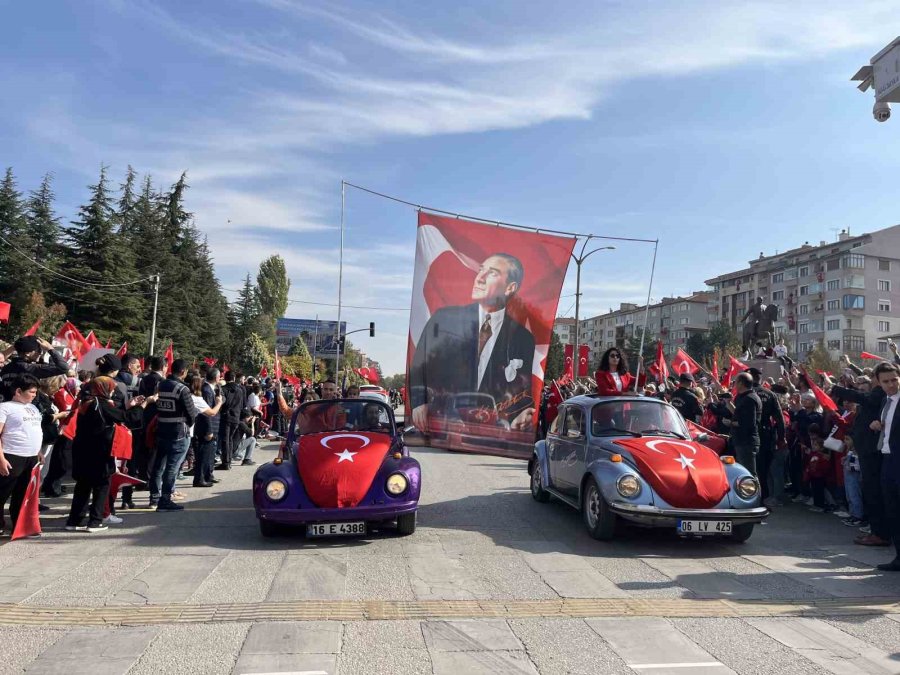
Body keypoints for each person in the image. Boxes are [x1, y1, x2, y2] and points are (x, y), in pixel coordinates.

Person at [408, 253, 535, 432]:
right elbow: (419, 366)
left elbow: (521, 390)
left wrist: (519, 416)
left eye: (492, 273)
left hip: (491, 433)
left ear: (510, 288)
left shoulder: (523, 339)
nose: (480, 278)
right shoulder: (444, 319)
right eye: (481, 269)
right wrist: (419, 402)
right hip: (442, 425)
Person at [65, 376, 152, 532]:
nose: (113, 391)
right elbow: (127, 418)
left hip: (82, 449)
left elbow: (115, 414)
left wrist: (129, 405)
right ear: (103, 389)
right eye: (111, 388)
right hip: (99, 450)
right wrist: (141, 406)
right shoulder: (101, 404)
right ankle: (95, 521)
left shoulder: (86, 402)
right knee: (101, 485)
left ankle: (75, 521)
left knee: (83, 486)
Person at [831, 374, 889, 546]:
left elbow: (862, 397)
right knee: (869, 491)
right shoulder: (875, 395)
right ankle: (877, 531)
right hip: (865, 450)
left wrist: (837, 388)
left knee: (873, 492)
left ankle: (880, 533)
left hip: (872, 452)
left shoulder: (878, 393)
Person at [149, 359, 198, 511]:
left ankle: (154, 498)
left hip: (162, 430)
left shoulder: (160, 385)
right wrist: (188, 424)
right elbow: (191, 413)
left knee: (158, 466)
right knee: (172, 468)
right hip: (178, 433)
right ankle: (165, 500)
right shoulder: (182, 389)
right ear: (183, 372)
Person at [0, 374, 44, 536]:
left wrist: (38, 451)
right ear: (18, 391)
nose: (34, 395)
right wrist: (1, 459)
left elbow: (34, 430)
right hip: (11, 455)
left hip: (31, 457)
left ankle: (20, 524)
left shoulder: (33, 407)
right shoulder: (5, 408)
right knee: (3, 492)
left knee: (24, 493)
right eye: (31, 392)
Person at [869, 361, 900, 571]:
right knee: (892, 510)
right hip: (887, 459)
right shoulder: (885, 401)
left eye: (894, 380)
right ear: (879, 383)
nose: (891, 384)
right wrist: (876, 425)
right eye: (886, 381)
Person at [747, 367, 785, 505]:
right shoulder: (770, 395)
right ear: (760, 378)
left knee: (750, 466)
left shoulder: (746, 394)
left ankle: (750, 496)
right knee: (763, 468)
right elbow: (779, 419)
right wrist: (781, 438)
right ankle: (762, 498)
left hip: (749, 435)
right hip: (766, 434)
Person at [0, 336, 69, 402]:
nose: (40, 353)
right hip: (22, 407)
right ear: (28, 353)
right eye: (38, 350)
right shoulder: (31, 368)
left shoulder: (6, 367)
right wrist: (50, 349)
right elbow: (63, 367)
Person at [189, 375, 223, 486]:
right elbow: (210, 413)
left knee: (206, 455)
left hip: (196, 428)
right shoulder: (200, 396)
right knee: (203, 456)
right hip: (202, 429)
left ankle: (205, 476)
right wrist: (219, 403)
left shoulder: (192, 396)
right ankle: (200, 479)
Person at [726, 372, 761, 475]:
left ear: (741, 383)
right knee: (740, 473)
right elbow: (738, 413)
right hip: (740, 441)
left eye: (736, 382)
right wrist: (728, 403)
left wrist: (731, 423)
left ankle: (754, 491)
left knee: (748, 473)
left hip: (747, 442)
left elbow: (748, 422)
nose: (734, 384)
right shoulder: (741, 397)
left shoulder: (750, 399)